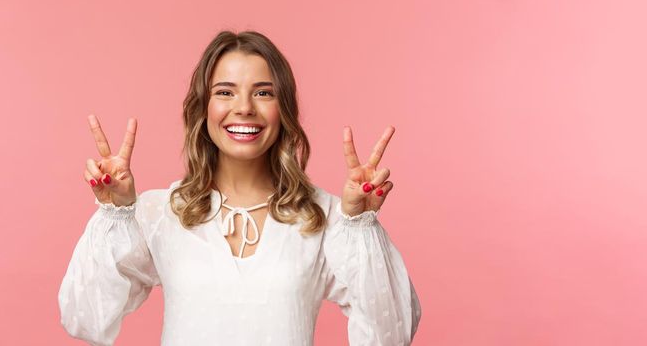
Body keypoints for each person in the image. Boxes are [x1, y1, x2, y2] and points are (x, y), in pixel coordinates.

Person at [58, 30, 422, 346]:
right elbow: (84, 317)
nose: (244, 108)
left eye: (264, 93)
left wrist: (361, 226)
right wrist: (115, 213)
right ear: (203, 108)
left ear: (285, 109)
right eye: (226, 92)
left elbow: (391, 332)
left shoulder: (324, 217)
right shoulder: (160, 213)